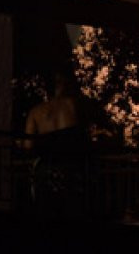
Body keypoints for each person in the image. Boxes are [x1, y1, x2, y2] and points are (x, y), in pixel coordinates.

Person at [22, 70, 90, 215]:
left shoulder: (35, 112)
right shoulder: (72, 105)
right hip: (70, 168)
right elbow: (82, 135)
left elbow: (28, 145)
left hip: (46, 169)